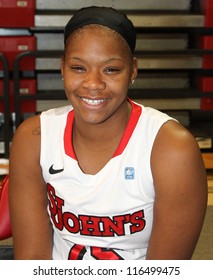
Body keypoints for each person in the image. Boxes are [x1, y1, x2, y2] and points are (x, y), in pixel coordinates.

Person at [9, 6, 207, 260]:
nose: (93, 84)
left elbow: (165, 272)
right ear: (62, 68)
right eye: (78, 68)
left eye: (111, 69)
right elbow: (32, 262)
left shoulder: (171, 149)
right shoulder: (34, 138)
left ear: (133, 71)